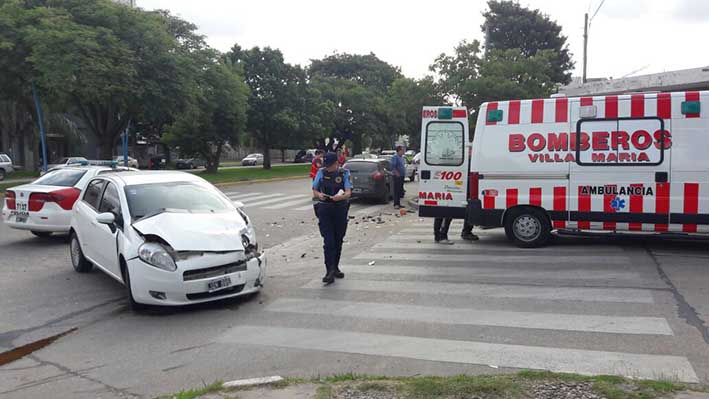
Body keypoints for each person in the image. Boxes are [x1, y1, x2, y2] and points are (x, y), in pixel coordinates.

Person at [312, 152, 352, 284]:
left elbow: (348, 192)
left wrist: (341, 197)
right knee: (328, 241)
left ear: (336, 164)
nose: (327, 168)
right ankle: (329, 271)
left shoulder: (344, 173)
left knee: (338, 240)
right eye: (326, 165)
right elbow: (315, 190)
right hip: (325, 209)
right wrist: (319, 195)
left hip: (340, 209)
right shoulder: (321, 173)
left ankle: (335, 267)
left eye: (330, 165)